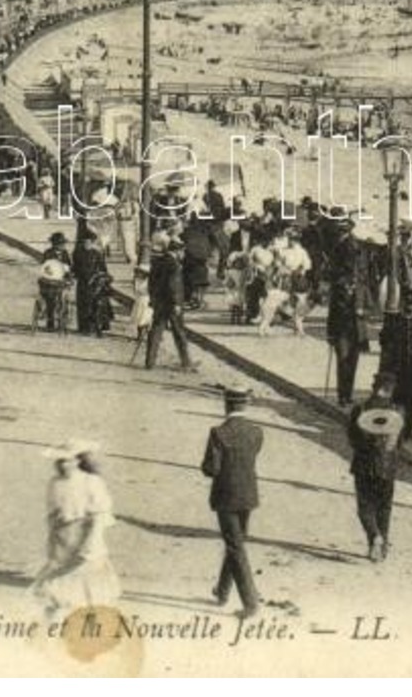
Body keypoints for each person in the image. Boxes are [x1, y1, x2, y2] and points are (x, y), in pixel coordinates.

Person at [31, 439, 122, 625]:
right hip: (63, 538)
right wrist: (52, 539)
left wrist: (91, 542)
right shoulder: (55, 484)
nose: (64, 465)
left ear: (78, 461)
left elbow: (99, 515)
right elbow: (52, 514)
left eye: (69, 460)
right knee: (58, 581)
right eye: (60, 461)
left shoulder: (91, 482)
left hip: (85, 535)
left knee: (89, 581)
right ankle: (56, 619)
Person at [201, 384, 262, 619]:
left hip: (225, 495)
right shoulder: (257, 432)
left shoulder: (218, 433)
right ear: (245, 404)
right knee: (235, 542)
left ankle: (250, 602)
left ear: (226, 404)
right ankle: (223, 591)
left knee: (235, 546)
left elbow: (211, 468)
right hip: (248, 494)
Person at [347, 374, 404, 562]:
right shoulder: (398, 412)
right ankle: (383, 547)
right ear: (391, 390)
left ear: (374, 387)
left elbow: (352, 438)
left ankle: (374, 538)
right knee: (384, 507)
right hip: (387, 467)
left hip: (364, 465)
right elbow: (399, 442)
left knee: (365, 506)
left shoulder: (360, 409)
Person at [377, 294, 412, 441]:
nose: (409, 308)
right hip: (396, 367)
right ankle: (396, 428)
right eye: (407, 305)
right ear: (402, 305)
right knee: (396, 398)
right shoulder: (394, 321)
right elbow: (383, 340)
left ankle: (408, 430)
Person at [145, 233, 195, 371]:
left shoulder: (158, 262)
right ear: (177, 251)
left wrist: (153, 299)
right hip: (172, 305)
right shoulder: (174, 265)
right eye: (182, 251)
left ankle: (150, 361)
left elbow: (151, 283)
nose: (183, 254)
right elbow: (174, 286)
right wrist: (177, 304)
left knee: (156, 331)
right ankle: (186, 362)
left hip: (159, 303)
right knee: (179, 332)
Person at [327, 264, 366, 406]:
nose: (353, 278)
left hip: (357, 331)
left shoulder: (362, 289)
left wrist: (363, 311)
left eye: (356, 275)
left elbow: (372, 307)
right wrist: (330, 334)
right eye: (351, 275)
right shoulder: (338, 289)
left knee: (352, 363)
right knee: (342, 362)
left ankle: (349, 394)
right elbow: (331, 313)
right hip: (341, 331)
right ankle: (341, 396)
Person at [72, 227, 109, 335]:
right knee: (82, 304)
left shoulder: (97, 254)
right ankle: (83, 327)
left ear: (92, 242)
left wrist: (99, 277)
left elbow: (103, 269)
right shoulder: (77, 253)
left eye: (88, 242)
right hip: (82, 282)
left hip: (94, 283)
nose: (86, 244)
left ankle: (93, 327)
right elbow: (75, 267)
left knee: (93, 305)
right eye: (84, 242)